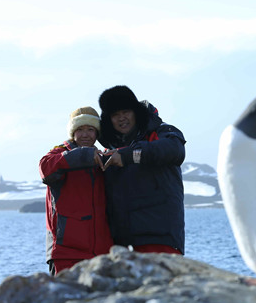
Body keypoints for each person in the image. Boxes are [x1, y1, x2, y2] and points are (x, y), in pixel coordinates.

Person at [98, 85, 186, 255]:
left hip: (160, 239)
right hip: (121, 244)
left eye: (125, 112)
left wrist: (128, 156)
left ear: (136, 112)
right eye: (115, 115)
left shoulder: (161, 132)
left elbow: (175, 151)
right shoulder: (110, 150)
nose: (121, 118)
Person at [39, 106, 114, 275]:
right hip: (65, 254)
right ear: (72, 132)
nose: (85, 134)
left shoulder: (104, 158)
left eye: (90, 129)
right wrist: (84, 156)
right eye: (80, 129)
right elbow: (45, 169)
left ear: (97, 133)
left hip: (101, 254)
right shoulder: (57, 154)